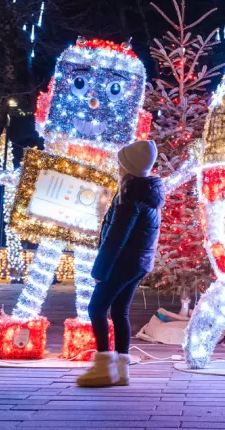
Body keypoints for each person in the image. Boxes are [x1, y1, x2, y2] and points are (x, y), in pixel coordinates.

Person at [77, 140, 163, 388]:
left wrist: (100, 271)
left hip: (123, 262)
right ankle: (122, 371)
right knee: (118, 311)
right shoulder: (146, 193)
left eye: (121, 164)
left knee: (96, 308)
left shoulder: (131, 196)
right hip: (138, 262)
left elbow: (116, 238)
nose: (118, 168)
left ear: (128, 167)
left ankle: (104, 368)